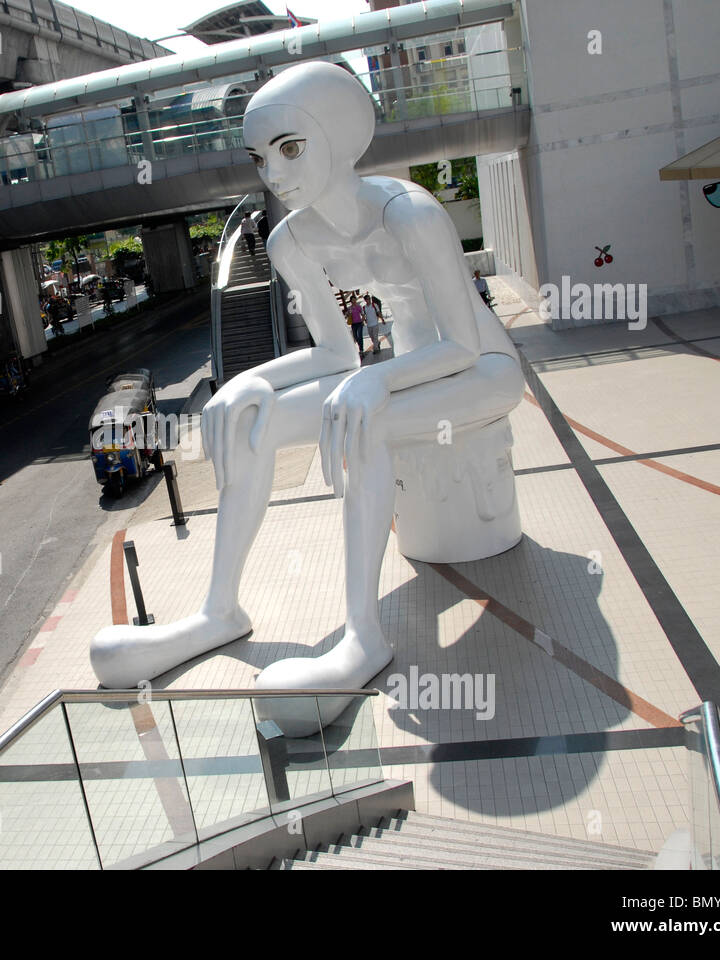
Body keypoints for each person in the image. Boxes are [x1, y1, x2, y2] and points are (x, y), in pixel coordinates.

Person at [90, 61, 524, 734]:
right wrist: (249, 382)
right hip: (410, 368)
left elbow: (465, 346)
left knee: (366, 423)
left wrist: (374, 380)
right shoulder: (290, 236)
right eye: (262, 156)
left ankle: (361, 636)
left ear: (340, 138)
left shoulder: (408, 212)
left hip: (480, 366)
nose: (275, 172)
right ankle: (218, 611)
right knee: (250, 423)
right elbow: (334, 353)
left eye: (291, 148)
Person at [362, 293, 382, 357]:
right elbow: (363, 315)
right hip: (369, 325)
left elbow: (378, 312)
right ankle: (378, 343)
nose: (369, 300)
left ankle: (376, 349)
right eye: (367, 299)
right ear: (365, 300)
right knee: (372, 338)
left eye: (369, 299)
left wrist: (382, 319)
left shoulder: (374, 305)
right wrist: (363, 321)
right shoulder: (364, 307)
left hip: (375, 323)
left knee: (375, 337)